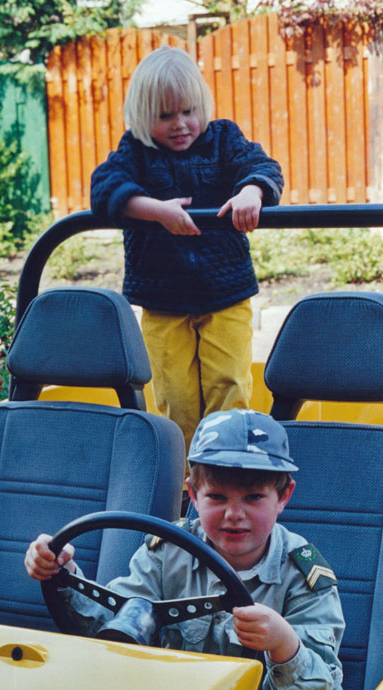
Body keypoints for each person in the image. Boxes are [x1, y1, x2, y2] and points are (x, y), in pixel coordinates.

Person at [24, 409, 348, 690]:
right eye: (217, 496)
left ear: (283, 497)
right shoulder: (165, 552)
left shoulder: (303, 575)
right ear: (193, 494)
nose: (234, 514)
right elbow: (116, 628)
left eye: (254, 497)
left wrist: (284, 645)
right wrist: (62, 574)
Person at [90, 46, 284, 456]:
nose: (181, 125)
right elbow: (103, 187)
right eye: (165, 116)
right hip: (163, 301)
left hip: (225, 293)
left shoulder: (223, 139)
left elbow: (263, 165)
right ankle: (182, 484)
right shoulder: (136, 153)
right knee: (174, 395)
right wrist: (155, 211)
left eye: (188, 111)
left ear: (202, 106)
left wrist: (252, 190)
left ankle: (227, 470)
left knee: (228, 386)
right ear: (144, 116)